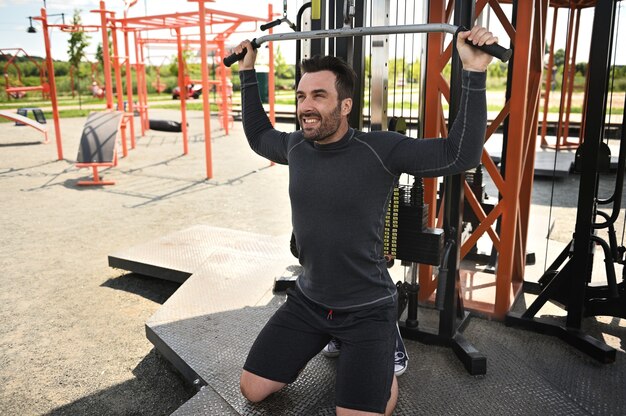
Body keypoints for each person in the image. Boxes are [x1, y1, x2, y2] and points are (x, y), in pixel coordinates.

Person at [235, 25, 497, 416]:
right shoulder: (296, 146)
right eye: (302, 95)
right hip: (308, 301)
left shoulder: (381, 150)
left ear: (344, 106)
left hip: (367, 308)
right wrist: (247, 71)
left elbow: (459, 155)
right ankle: (344, 351)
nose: (306, 106)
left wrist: (474, 72)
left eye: (319, 96)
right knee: (252, 389)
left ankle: (382, 359)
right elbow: (258, 135)